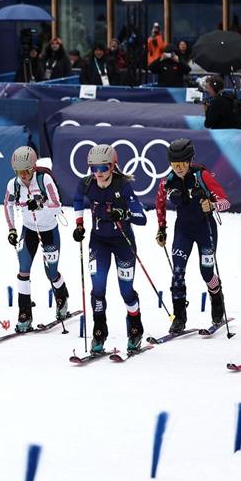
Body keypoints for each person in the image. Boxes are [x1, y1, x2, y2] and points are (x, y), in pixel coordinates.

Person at [72, 144, 148, 354]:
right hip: (99, 242)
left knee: (126, 291)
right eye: (93, 168)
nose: (98, 173)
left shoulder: (123, 185)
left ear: (113, 166)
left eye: (103, 168)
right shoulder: (86, 184)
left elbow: (142, 218)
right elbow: (77, 200)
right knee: (98, 289)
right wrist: (79, 224)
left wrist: (123, 215)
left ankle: (135, 329)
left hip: (123, 241)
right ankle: (99, 332)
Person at [154, 139, 231, 333]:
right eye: (173, 164)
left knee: (206, 272)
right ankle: (179, 316)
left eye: (181, 163)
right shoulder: (168, 181)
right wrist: (161, 228)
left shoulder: (202, 176)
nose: (178, 168)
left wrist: (212, 205)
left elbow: (225, 202)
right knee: (177, 272)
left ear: (189, 161)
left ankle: (216, 298)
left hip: (205, 229)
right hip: (183, 231)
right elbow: (159, 203)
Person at [3, 146, 69, 332]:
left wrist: (39, 204)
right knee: (23, 270)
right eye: (19, 171)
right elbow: (7, 205)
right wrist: (12, 230)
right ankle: (24, 314)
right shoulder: (13, 184)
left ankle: (62, 296)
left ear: (34, 167)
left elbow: (57, 205)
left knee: (51, 272)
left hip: (49, 230)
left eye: (27, 171)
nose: (23, 175)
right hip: (29, 230)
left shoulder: (44, 179)